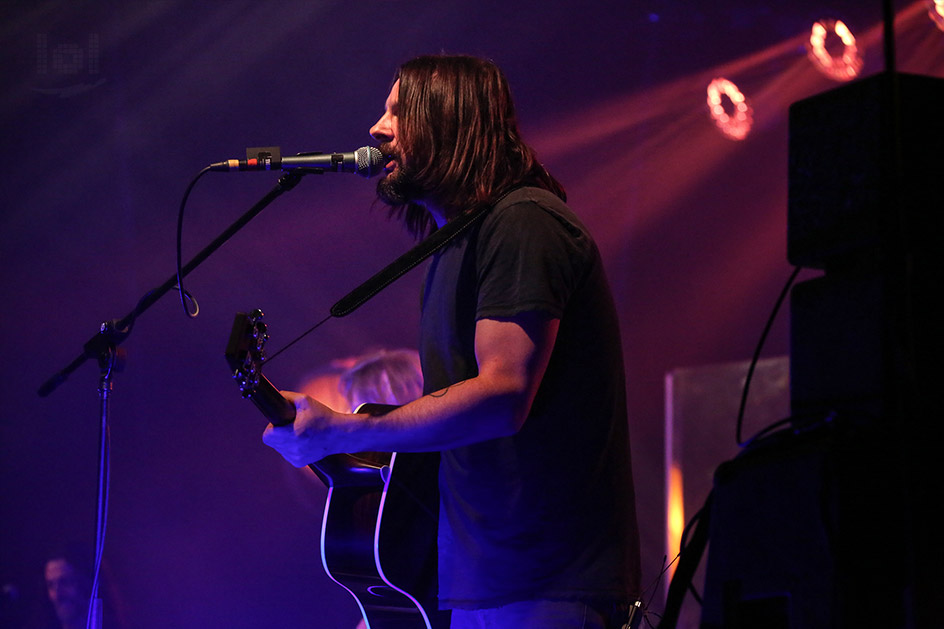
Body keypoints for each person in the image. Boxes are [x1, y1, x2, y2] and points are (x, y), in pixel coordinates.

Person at [264, 54, 640, 628]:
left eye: (398, 111)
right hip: (482, 581)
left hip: (547, 580)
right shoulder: (454, 245)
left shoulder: (524, 222)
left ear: (450, 122)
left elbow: (502, 394)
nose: (376, 128)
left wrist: (348, 429)